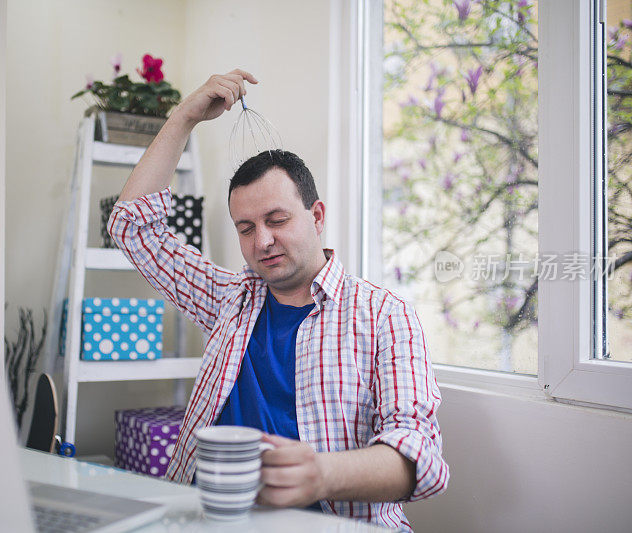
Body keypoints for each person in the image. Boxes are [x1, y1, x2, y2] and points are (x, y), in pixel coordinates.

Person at [107, 70, 448, 531]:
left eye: (277, 219)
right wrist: (185, 116)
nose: (262, 240)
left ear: (317, 215)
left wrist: (322, 475)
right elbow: (132, 228)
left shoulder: (384, 316)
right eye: (246, 228)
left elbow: (420, 457)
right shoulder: (229, 300)